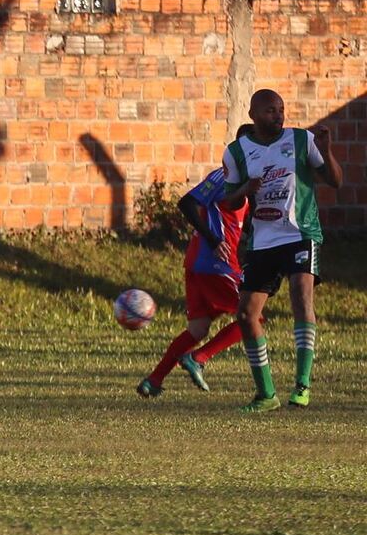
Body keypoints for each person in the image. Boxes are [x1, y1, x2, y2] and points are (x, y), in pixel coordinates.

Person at [221, 89, 342, 412]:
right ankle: (266, 394)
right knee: (246, 315)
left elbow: (336, 181)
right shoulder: (237, 151)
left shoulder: (301, 140)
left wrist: (327, 152)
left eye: (281, 109)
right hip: (263, 240)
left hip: (301, 233)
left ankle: (302, 385)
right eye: (271, 110)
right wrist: (246, 190)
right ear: (253, 115)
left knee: (301, 297)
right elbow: (230, 200)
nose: (278, 115)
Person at [136, 125, 253, 398]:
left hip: (197, 262)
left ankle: (154, 380)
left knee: (197, 328)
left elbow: (232, 220)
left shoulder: (237, 179)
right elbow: (187, 203)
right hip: (215, 262)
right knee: (253, 317)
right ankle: (198, 358)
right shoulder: (228, 179)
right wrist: (214, 240)